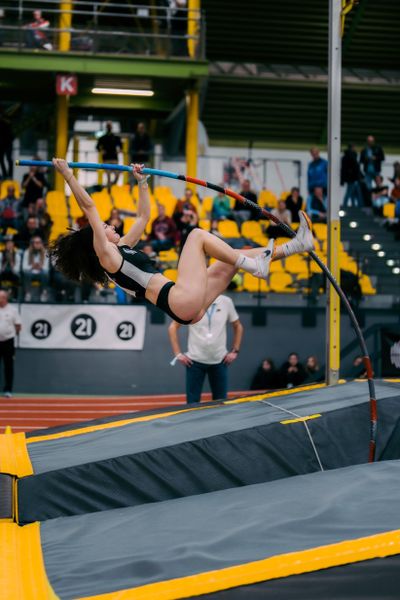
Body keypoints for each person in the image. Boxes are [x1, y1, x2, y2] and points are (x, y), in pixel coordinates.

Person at [50, 158, 315, 326]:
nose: (112, 225)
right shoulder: (107, 257)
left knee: (231, 257)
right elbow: (89, 207)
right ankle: (254, 266)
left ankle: (297, 245)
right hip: (179, 299)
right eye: (106, 227)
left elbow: (143, 217)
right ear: (97, 240)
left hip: (185, 306)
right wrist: (68, 174)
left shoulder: (120, 251)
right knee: (197, 235)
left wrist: (142, 182)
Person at [168, 294, 243, 403]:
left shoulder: (226, 302)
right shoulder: (192, 302)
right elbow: (173, 327)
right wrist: (178, 354)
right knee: (192, 404)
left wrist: (235, 350)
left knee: (220, 403)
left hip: (219, 361)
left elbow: (238, 326)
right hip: (194, 363)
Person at [0, 289, 21, 397]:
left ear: (5, 298)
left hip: (8, 341)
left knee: (8, 366)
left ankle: (8, 390)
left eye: (1, 297)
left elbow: (18, 325)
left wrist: (10, 334)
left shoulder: (13, 310)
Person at [22, 236, 50, 301]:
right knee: (27, 274)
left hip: (41, 271)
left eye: (39, 242)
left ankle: (44, 293)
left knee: (45, 274)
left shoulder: (45, 252)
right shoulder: (27, 252)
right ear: (32, 244)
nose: (38, 244)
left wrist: (40, 267)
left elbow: (47, 268)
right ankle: (28, 293)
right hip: (31, 271)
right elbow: (24, 267)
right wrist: (32, 266)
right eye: (36, 242)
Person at [96, 122, 122, 189]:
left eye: (110, 126)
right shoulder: (102, 138)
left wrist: (119, 150)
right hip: (106, 159)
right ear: (106, 127)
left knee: (117, 174)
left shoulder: (115, 137)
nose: (109, 127)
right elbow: (97, 147)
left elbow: (121, 146)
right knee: (108, 176)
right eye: (108, 126)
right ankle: (108, 190)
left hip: (114, 159)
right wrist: (101, 151)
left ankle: (110, 185)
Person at [0, 112, 14, 180]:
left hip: (8, 143)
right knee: (1, 159)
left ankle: (10, 175)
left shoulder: (6, 121)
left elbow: (9, 123)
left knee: (9, 159)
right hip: (2, 143)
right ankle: (5, 174)